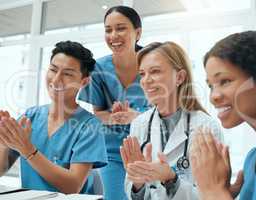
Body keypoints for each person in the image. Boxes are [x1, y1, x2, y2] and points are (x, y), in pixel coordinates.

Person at [0, 41, 107, 194]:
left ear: (84, 82)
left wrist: (28, 151)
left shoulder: (89, 126)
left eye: (68, 74)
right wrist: (3, 142)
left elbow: (73, 186)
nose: (56, 80)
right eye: (53, 69)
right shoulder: (30, 117)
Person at [120, 41, 224, 200]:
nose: (146, 80)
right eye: (142, 74)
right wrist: (138, 184)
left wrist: (171, 179)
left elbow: (213, 195)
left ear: (180, 77)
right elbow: (134, 192)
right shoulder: (139, 124)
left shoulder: (206, 127)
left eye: (155, 71)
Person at [190, 31, 256, 200]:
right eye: (210, 86)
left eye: (225, 81)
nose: (213, 96)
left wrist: (213, 192)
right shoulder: (253, 159)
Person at [78, 5, 149, 200]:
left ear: (138, 32)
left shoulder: (154, 63)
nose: (113, 35)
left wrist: (137, 116)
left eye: (121, 28)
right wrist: (115, 118)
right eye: (108, 30)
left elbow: (169, 111)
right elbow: (98, 113)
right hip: (113, 153)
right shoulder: (98, 68)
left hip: (152, 149)